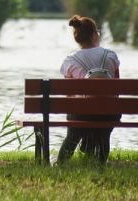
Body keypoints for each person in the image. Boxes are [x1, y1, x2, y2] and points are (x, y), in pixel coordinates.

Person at [56, 15, 120, 164]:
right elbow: (117, 87)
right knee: (103, 133)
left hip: (81, 114)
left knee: (73, 134)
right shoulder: (110, 55)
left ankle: (61, 164)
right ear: (93, 35)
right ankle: (100, 163)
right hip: (109, 113)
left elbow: (69, 94)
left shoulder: (70, 60)